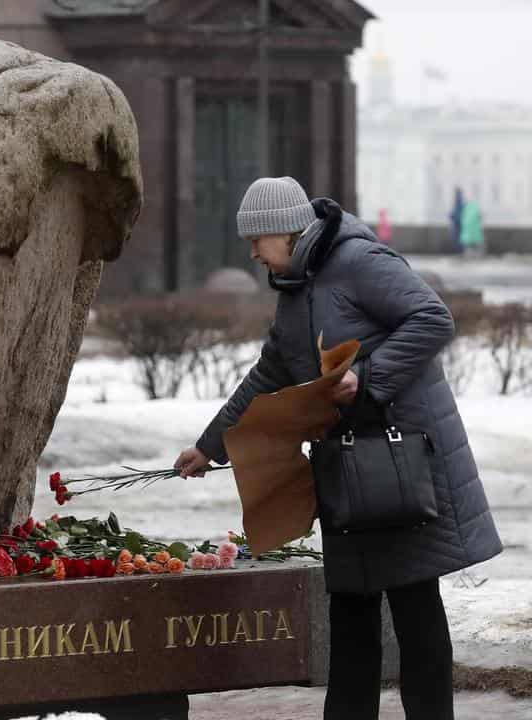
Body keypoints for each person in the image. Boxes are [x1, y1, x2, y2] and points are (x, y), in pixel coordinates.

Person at [173, 177, 502, 720]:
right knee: (350, 615)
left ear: (286, 229)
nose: (253, 253)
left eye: (257, 240)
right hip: (348, 474)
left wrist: (367, 377)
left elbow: (432, 318)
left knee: (415, 609)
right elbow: (267, 377)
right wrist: (211, 446)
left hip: (399, 468)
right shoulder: (296, 291)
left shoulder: (358, 261)